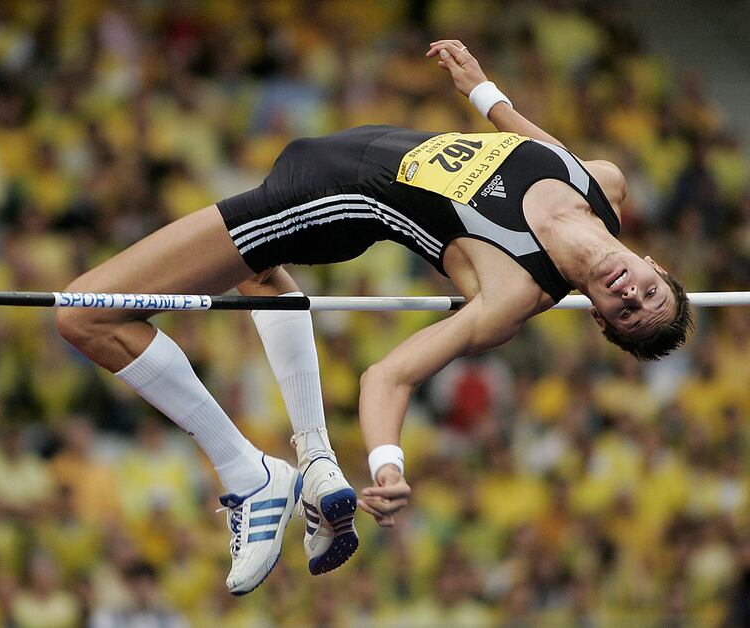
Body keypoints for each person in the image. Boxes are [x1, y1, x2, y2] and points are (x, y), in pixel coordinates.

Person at [56, 39, 692, 590]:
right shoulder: (604, 185)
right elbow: (548, 156)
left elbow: (389, 375)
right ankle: (311, 461)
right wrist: (484, 94)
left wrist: (389, 464)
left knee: (85, 315)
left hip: (324, 197)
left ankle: (247, 474)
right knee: (254, 274)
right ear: (654, 264)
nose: (630, 295)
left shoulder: (512, 294)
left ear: (600, 318)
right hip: (340, 151)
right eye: (648, 293)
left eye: (627, 312)